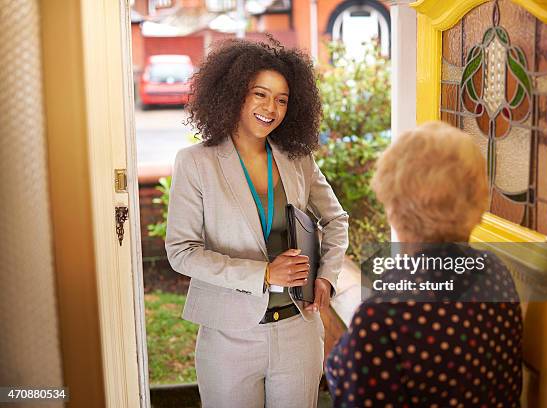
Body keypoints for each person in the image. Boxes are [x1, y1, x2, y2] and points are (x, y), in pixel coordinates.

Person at [165, 38, 349, 408]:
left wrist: (327, 275)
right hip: (228, 334)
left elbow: (336, 219)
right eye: (260, 94)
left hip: (298, 328)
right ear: (233, 94)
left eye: (281, 99)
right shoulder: (195, 163)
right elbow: (182, 253)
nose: (271, 108)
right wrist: (264, 274)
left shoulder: (297, 159)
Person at [325, 121, 523, 407]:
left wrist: (329, 330)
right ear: (478, 200)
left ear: (395, 205)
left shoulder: (382, 317)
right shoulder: (495, 272)